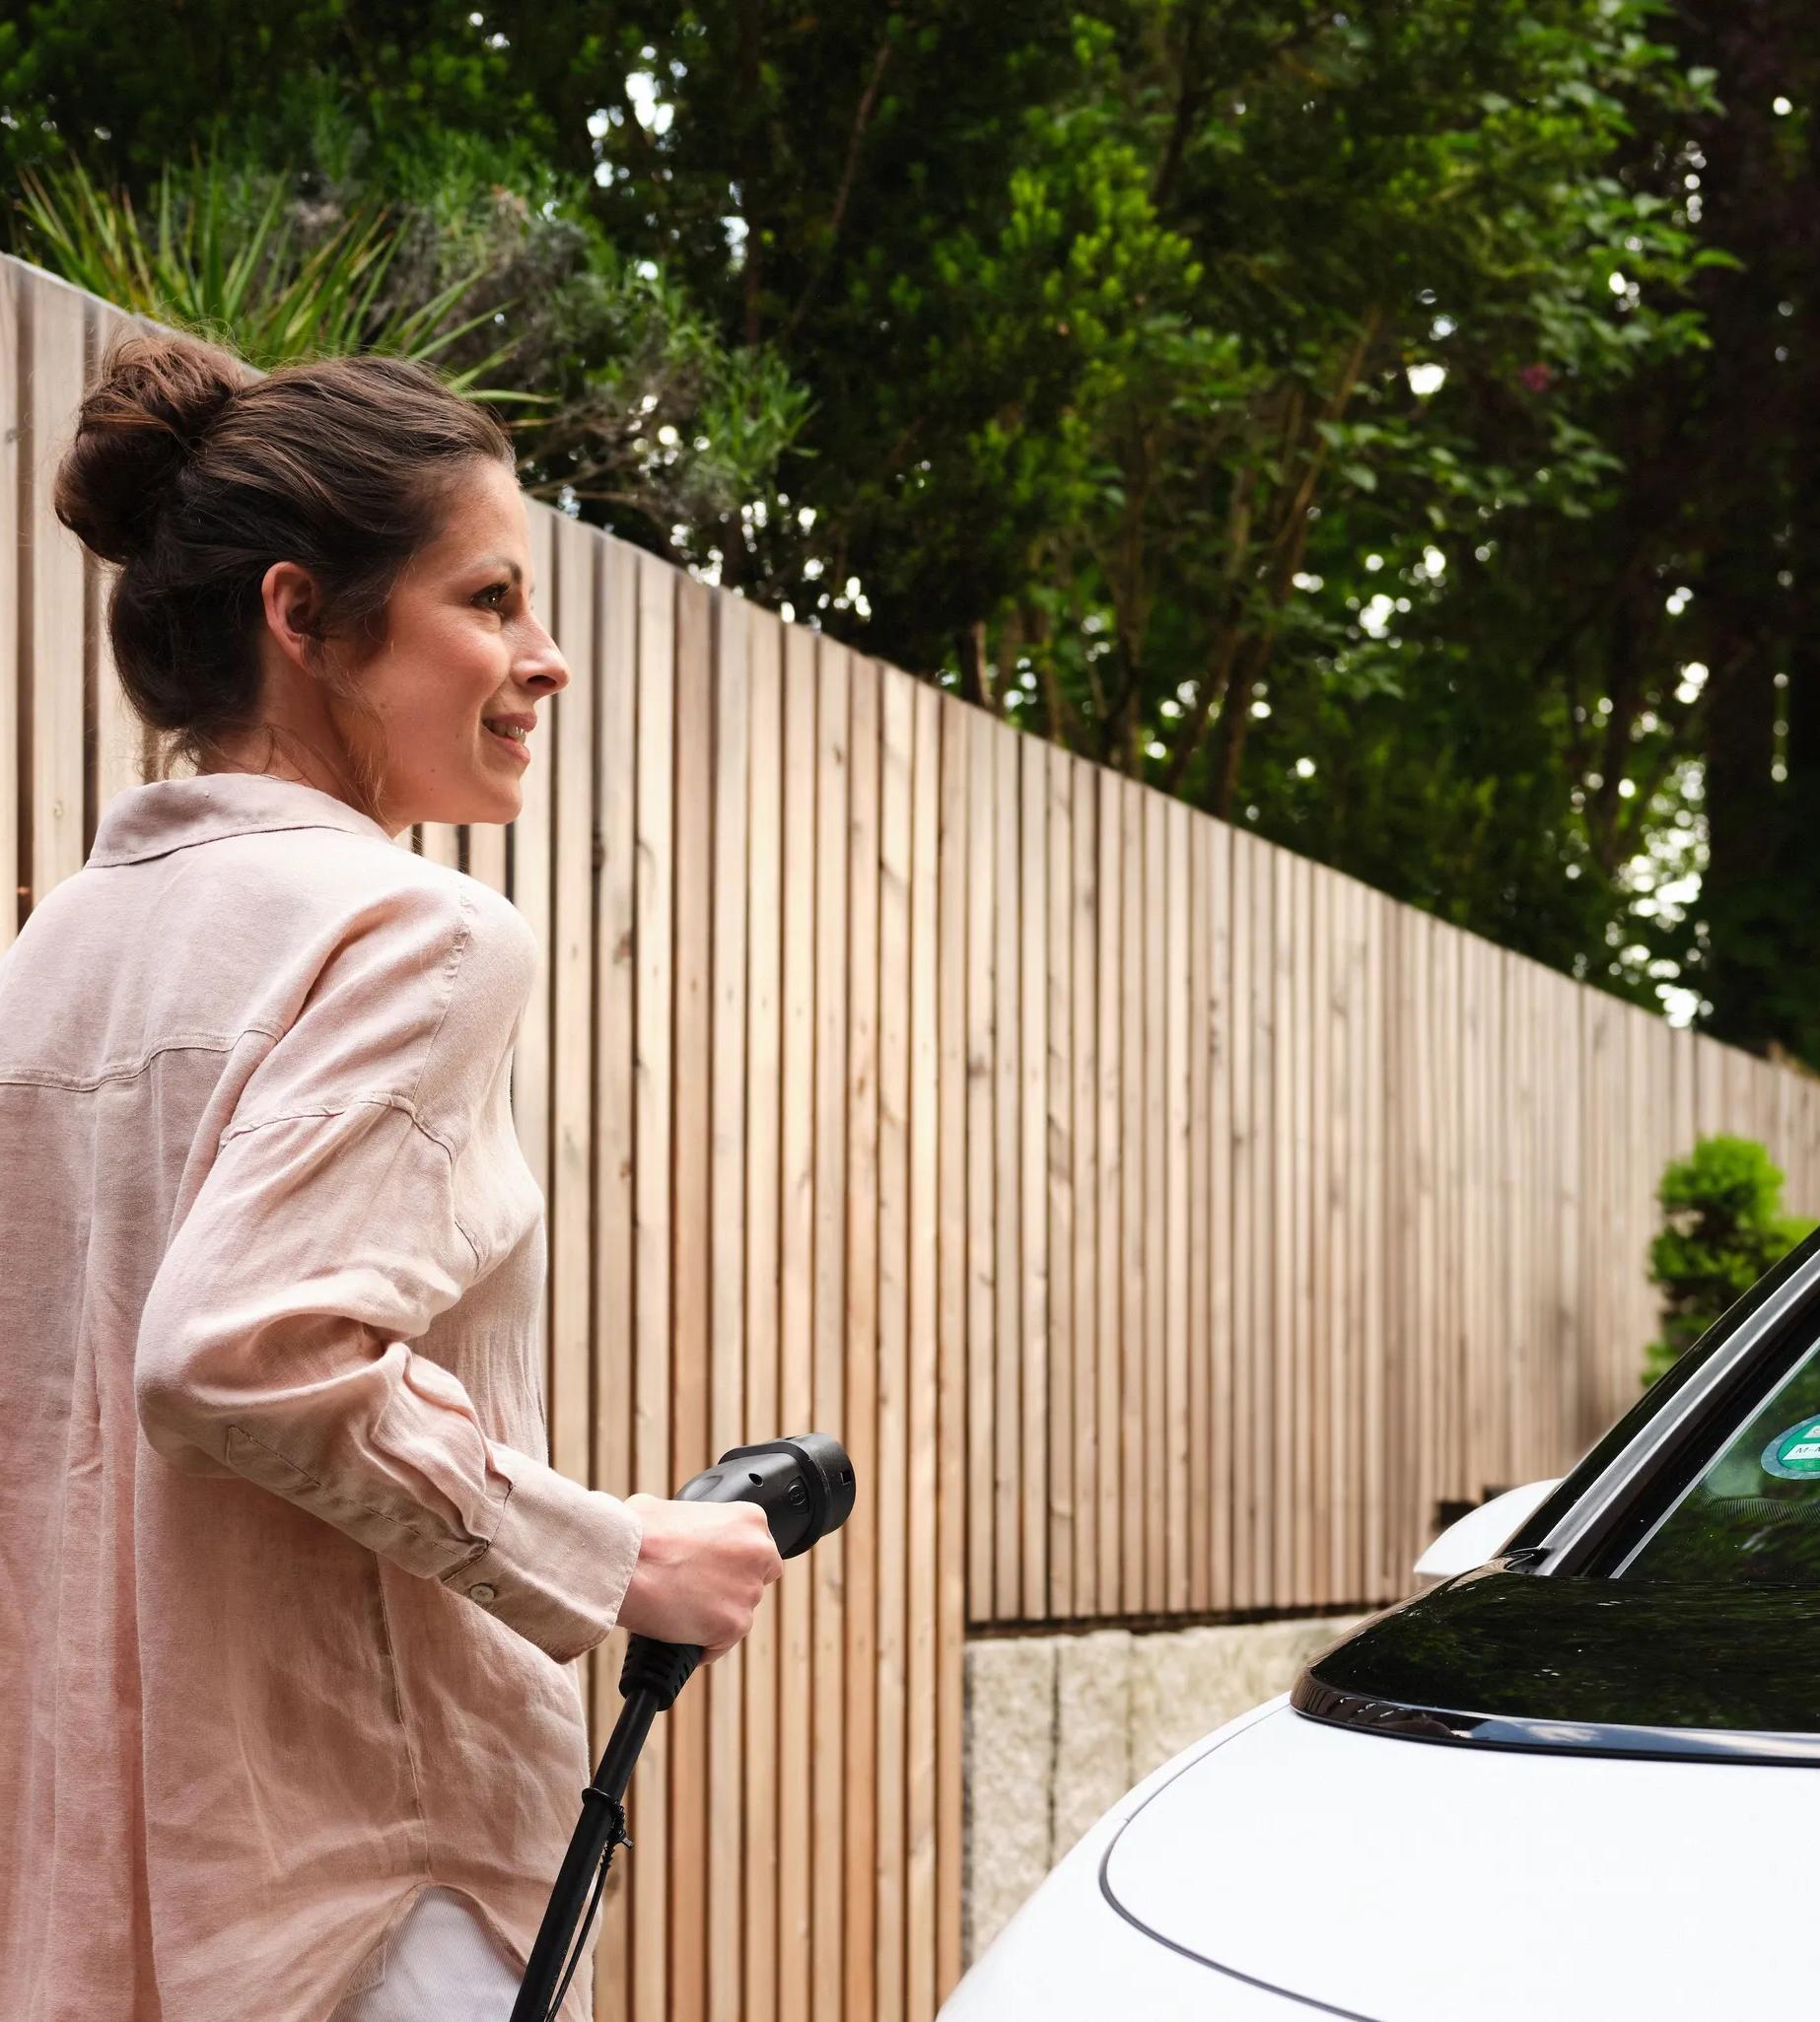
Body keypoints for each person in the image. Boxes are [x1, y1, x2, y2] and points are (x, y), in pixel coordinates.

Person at [0, 330, 783, 2022]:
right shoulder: (414, 930)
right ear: (300, 617)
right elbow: (242, 1354)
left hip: (87, 1891)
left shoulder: (50, 957)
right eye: (489, 601)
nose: (546, 660)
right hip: (362, 1889)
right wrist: (616, 1556)